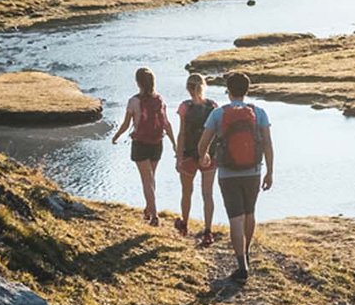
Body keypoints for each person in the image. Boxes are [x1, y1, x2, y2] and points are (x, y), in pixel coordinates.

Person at [196, 72, 274, 282]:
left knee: (235, 218)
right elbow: (267, 144)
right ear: (246, 90)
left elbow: (203, 143)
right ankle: (246, 252)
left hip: (228, 174)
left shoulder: (218, 114)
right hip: (254, 172)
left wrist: (203, 157)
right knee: (250, 213)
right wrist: (270, 171)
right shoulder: (259, 113)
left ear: (228, 91)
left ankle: (242, 266)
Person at [109, 67, 175, 225]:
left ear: (138, 82)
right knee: (151, 178)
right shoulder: (159, 100)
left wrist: (116, 136)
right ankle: (148, 208)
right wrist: (174, 143)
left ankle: (154, 215)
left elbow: (126, 124)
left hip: (140, 144)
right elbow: (166, 124)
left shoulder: (134, 101)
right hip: (157, 143)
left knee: (146, 180)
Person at [174, 73, 219, 246]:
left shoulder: (185, 107)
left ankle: (184, 225)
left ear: (188, 88)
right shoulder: (213, 106)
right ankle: (208, 231)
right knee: (208, 194)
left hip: (189, 155)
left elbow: (182, 134)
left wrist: (178, 158)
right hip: (209, 155)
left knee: (187, 192)